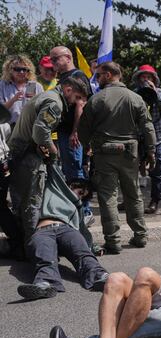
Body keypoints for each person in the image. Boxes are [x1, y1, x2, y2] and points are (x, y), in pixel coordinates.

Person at [78, 61, 156, 254]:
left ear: (108, 75)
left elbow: (83, 128)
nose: (97, 78)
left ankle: (113, 241)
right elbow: (147, 126)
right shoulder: (136, 98)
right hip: (130, 153)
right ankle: (141, 235)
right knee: (133, 194)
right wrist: (151, 150)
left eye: (99, 75)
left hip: (105, 154)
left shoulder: (96, 100)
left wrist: (87, 146)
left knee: (108, 197)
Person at [8, 78, 89, 239]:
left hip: (19, 153)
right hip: (28, 155)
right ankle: (33, 244)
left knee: (20, 200)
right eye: (77, 97)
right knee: (32, 201)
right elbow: (40, 132)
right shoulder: (55, 103)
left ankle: (19, 240)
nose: (76, 102)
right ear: (68, 90)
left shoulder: (47, 96)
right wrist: (53, 151)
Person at [16, 169, 108, 300]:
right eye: (80, 192)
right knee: (45, 258)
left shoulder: (78, 207)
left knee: (83, 255)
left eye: (83, 197)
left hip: (67, 230)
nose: (79, 197)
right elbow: (53, 167)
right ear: (72, 186)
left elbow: (83, 231)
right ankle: (45, 284)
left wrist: (94, 247)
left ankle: (101, 277)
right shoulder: (55, 187)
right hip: (43, 230)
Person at [49, 46, 94, 222]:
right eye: (51, 60)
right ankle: (78, 210)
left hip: (71, 133)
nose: (53, 64)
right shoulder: (64, 77)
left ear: (67, 57)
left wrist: (76, 131)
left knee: (76, 172)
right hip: (65, 131)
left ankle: (84, 212)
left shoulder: (77, 76)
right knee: (72, 171)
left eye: (55, 59)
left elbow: (81, 105)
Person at [131, 64, 161, 214]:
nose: (145, 80)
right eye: (142, 77)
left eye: (148, 77)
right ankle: (130, 200)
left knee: (158, 170)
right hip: (138, 137)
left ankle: (155, 201)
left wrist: (155, 93)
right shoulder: (134, 94)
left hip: (158, 137)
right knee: (130, 169)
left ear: (154, 79)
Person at [0, 104, 23, 258]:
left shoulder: (5, 126)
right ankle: (16, 241)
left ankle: (16, 242)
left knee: (0, 207)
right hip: (4, 164)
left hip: (2, 164)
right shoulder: (5, 126)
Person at [0, 54, 43, 126]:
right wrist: (13, 99)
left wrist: (35, 101)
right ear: (10, 70)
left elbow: (42, 109)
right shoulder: (3, 85)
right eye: (17, 69)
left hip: (29, 126)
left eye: (24, 69)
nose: (21, 72)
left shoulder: (35, 86)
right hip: (8, 126)